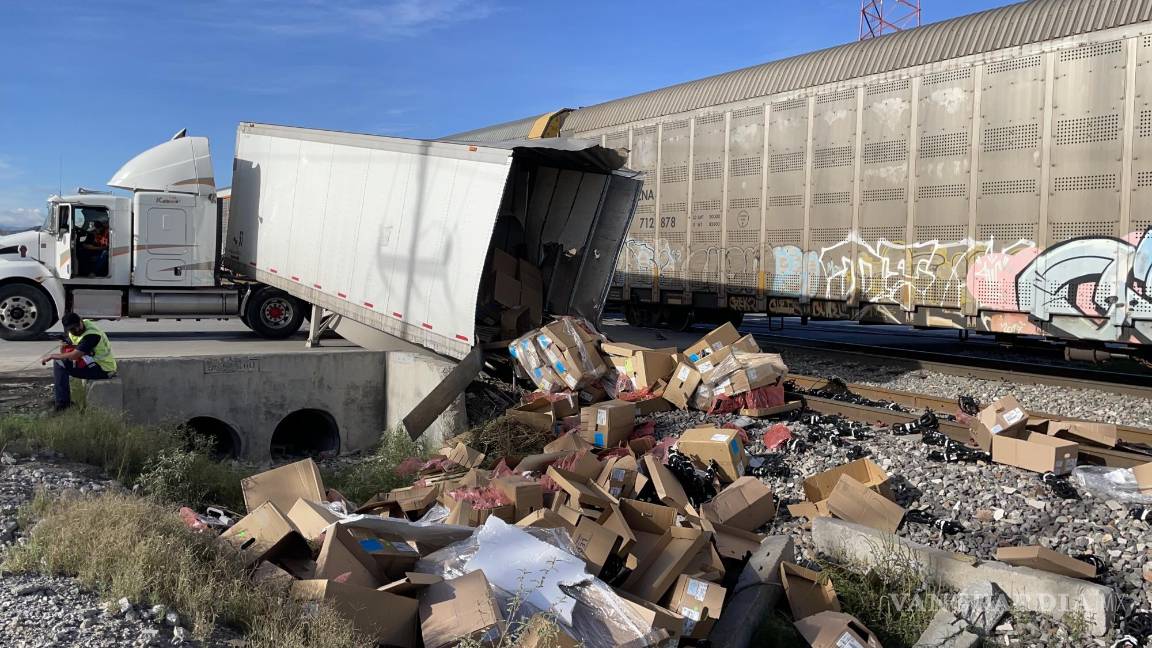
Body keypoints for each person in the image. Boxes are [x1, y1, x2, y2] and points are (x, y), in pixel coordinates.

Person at [41, 313, 117, 411]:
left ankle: (63, 404)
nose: (76, 330)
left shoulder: (92, 335)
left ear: (81, 321)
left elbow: (74, 355)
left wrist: (52, 356)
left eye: (77, 326)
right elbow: (69, 351)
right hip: (92, 363)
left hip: (103, 369)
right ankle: (62, 401)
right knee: (61, 362)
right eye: (72, 329)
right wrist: (63, 346)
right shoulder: (73, 332)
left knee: (59, 362)